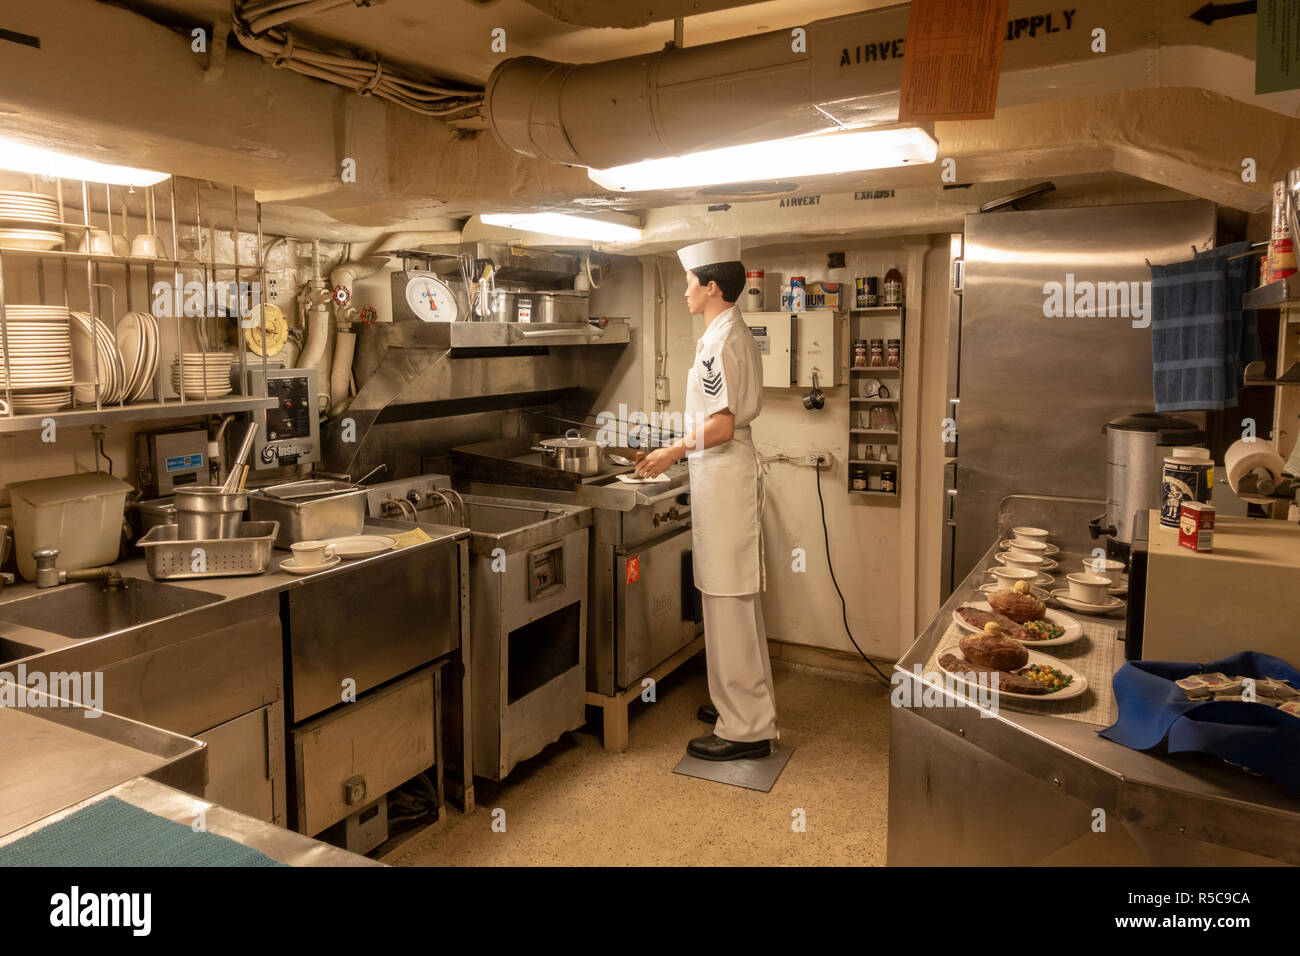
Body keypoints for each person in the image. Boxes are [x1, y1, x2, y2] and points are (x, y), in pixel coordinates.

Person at [635, 237, 778, 761]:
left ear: (712, 286)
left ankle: (746, 729)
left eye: (690, 281)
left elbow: (720, 426)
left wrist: (671, 451)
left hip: (725, 475)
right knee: (727, 597)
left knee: (728, 598)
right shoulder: (727, 332)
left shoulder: (721, 341)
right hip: (722, 475)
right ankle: (736, 706)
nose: (685, 290)